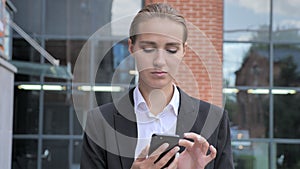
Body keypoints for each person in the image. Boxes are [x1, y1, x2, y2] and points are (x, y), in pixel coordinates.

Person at [80, 3, 234, 169]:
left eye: (171, 50)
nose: (159, 61)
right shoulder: (100, 122)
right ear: (131, 48)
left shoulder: (214, 121)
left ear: (184, 51)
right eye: (148, 48)